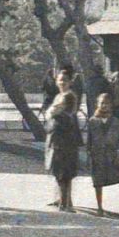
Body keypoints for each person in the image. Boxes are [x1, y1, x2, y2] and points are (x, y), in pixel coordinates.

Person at [44, 67, 85, 211]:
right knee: (60, 169)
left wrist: (52, 112)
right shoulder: (59, 96)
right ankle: (64, 200)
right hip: (57, 135)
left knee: (63, 169)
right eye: (60, 80)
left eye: (65, 80)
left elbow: (59, 113)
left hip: (65, 136)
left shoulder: (69, 96)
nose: (62, 83)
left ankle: (65, 202)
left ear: (70, 82)